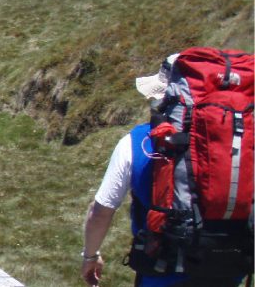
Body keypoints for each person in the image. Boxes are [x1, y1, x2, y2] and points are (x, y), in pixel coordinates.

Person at [80, 53, 248, 287]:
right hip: (227, 270)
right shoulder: (242, 143)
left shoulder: (137, 141)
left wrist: (90, 255)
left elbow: (101, 211)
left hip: (160, 272)